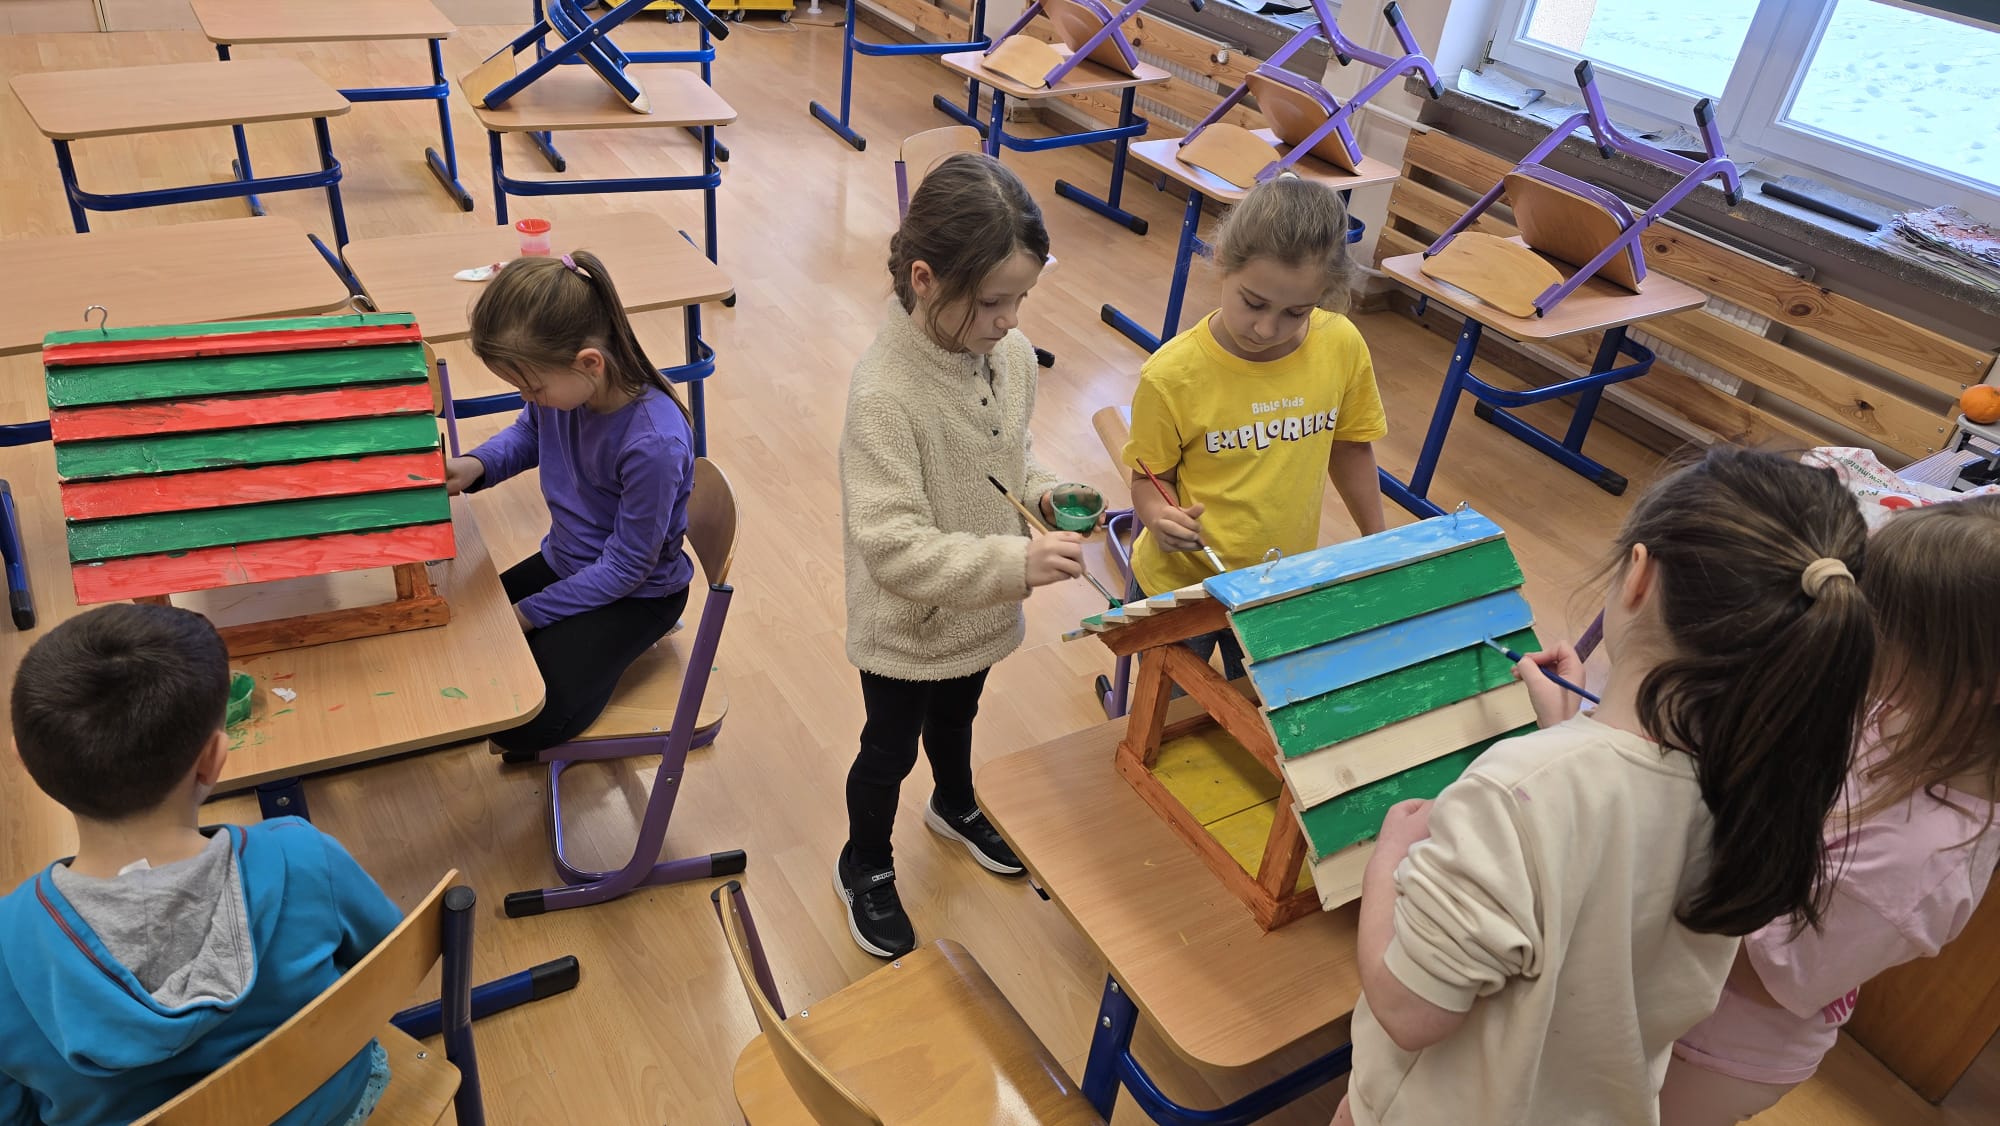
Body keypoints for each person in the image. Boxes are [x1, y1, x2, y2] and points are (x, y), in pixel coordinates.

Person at [1334, 447, 1875, 1125]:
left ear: (1639, 576)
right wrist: (1565, 736)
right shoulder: (1763, 786)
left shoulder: (1511, 793)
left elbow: (1410, 1011)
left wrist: (1387, 860)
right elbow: (1616, 837)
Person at [1661, 496, 2000, 1124]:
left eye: (1882, 627)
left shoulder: (1918, 860)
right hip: (1693, 987)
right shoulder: (1908, 707)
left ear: (1970, 681)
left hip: (1714, 1051)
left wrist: (1652, 851)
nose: (1855, 630)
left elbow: (1763, 977)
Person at [0, 605, 403, 1125]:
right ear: (214, 758)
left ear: (25, 761)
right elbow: (389, 963)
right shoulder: (302, 856)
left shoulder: (8, 945)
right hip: (328, 1109)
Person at [835, 153, 1090, 958]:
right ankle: (865, 862)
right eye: (991, 302)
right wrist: (1015, 566)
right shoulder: (885, 395)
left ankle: (955, 802)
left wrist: (1046, 494)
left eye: (1021, 299)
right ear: (924, 280)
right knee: (887, 749)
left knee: (959, 715)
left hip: (976, 613)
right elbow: (892, 548)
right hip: (908, 624)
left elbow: (1012, 457)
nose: (1010, 321)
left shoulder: (1008, 356)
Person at [1121, 174, 1387, 679]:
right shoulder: (1172, 375)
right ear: (1223, 261)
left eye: (1296, 312)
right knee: (1173, 711)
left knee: (1259, 705)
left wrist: (1378, 539)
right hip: (1183, 587)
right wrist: (1159, 516)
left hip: (1277, 583)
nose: (1267, 329)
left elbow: (1350, 447)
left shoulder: (1341, 345)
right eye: (1254, 303)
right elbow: (1149, 479)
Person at [445, 251, 697, 759]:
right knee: (463, 639)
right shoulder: (569, 394)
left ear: (589, 363)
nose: (527, 398)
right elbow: (530, 433)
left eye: (532, 387)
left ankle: (623, 653)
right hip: (570, 562)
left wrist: (530, 614)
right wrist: (474, 466)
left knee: (522, 722)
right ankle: (593, 651)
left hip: (640, 594)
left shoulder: (654, 443)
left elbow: (625, 569)